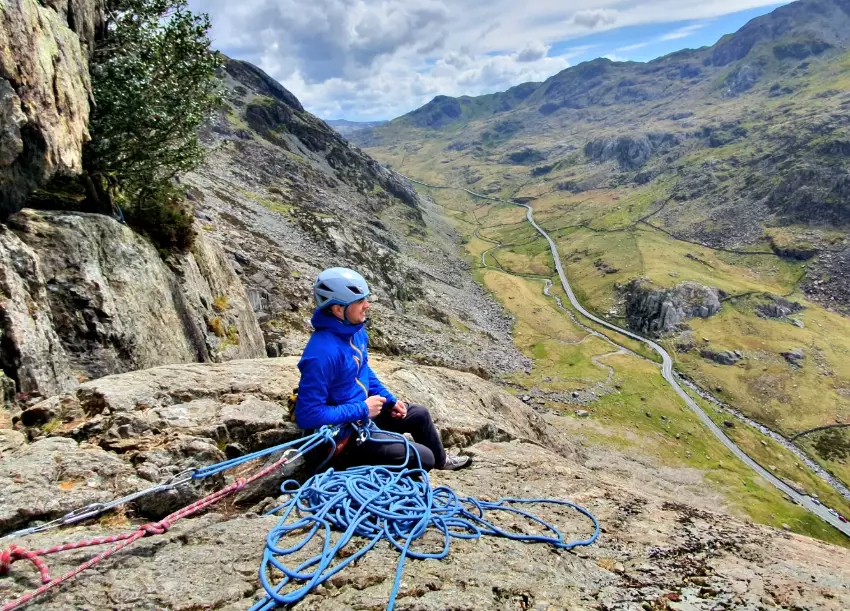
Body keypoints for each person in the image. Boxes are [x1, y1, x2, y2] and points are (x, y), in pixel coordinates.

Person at [294, 267, 471, 472]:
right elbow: (307, 415)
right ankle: (354, 466)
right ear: (337, 309)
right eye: (360, 302)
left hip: (361, 416)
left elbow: (363, 370)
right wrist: (363, 409)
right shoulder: (321, 353)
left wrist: (389, 400)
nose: (367, 305)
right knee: (424, 458)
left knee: (419, 415)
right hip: (343, 438)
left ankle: (443, 463)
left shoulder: (355, 332)